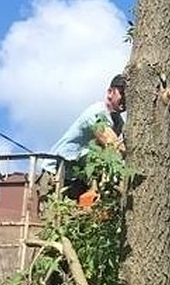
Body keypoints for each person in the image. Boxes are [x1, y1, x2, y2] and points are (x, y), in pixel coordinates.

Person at [46, 73, 126, 203]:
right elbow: (113, 146)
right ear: (110, 92)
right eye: (122, 93)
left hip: (79, 178)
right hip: (57, 173)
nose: (125, 99)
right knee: (49, 217)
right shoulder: (97, 112)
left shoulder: (118, 121)